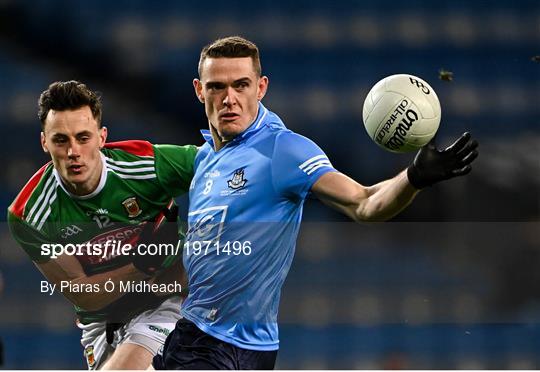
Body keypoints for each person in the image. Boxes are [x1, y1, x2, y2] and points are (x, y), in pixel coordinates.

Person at [153, 36, 479, 370]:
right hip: (204, 337)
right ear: (198, 90)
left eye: (241, 85)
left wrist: (414, 177)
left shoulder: (283, 150)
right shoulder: (205, 159)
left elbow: (363, 203)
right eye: (217, 87)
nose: (229, 99)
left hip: (236, 345)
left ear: (261, 87)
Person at [7, 81, 197, 369]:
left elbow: (223, 168)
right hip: (101, 325)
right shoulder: (29, 213)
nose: (73, 151)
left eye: (83, 137)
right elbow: (85, 295)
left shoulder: (146, 164)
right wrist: (143, 263)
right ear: (44, 142)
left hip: (166, 300)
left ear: (101, 137)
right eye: (61, 140)